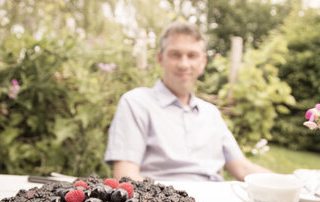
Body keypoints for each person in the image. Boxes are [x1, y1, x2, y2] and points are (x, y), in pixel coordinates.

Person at [104, 21, 270, 182]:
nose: (184, 64)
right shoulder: (136, 103)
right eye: (175, 55)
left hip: (218, 201)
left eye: (192, 56)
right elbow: (125, 176)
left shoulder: (211, 113)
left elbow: (243, 169)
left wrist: (292, 182)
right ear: (160, 59)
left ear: (202, 62)